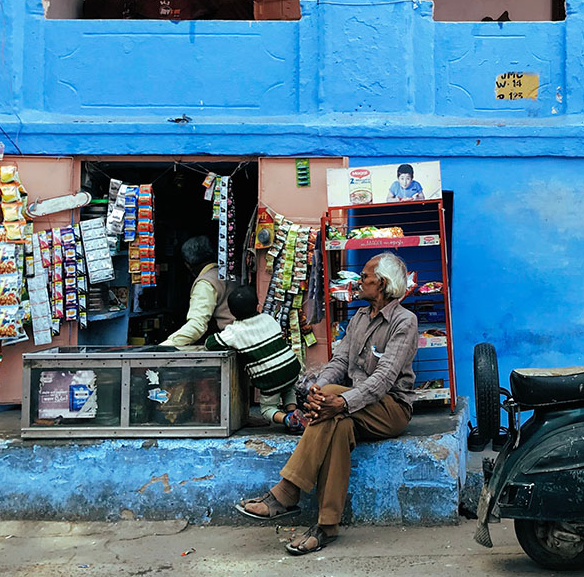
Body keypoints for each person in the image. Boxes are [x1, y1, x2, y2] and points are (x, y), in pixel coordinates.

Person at [238, 252, 418, 555]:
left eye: (364, 277)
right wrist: (317, 390)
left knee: (336, 404)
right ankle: (325, 527)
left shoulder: (405, 322)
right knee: (338, 425)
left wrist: (341, 400)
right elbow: (339, 362)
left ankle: (286, 492)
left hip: (390, 409)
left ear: (382, 283)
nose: (359, 281)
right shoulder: (360, 318)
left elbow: (384, 379)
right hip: (353, 407)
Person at [205, 285, 306, 434]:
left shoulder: (234, 332)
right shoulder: (268, 318)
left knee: (267, 409)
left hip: (270, 379)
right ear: (257, 305)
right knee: (288, 388)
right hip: (291, 367)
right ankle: (293, 412)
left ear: (231, 312)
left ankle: (287, 419)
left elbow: (210, 343)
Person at [161, 235, 237, 347]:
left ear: (188, 264)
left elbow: (197, 325)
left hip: (225, 341)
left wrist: (165, 346)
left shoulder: (206, 283)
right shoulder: (230, 274)